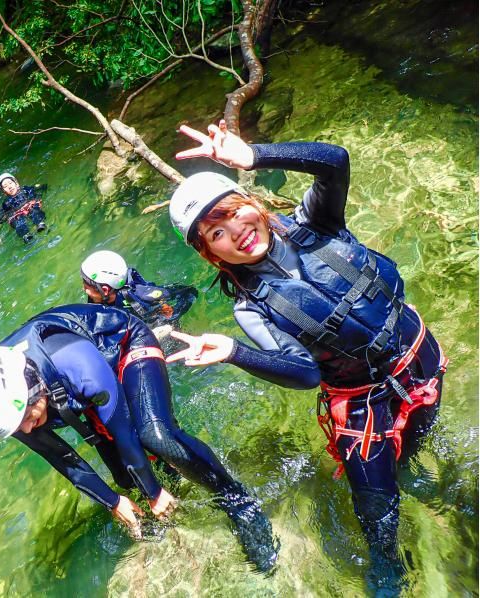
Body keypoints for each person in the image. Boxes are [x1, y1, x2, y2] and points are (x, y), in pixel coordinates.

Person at [166, 120, 447, 591]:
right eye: (215, 233)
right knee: (375, 507)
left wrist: (254, 155)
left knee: (417, 445)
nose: (235, 232)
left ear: (252, 203)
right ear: (210, 253)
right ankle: (388, 572)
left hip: (417, 357)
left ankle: (412, 467)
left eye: (233, 213)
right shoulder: (249, 306)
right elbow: (302, 374)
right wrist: (234, 352)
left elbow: (335, 160)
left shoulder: (317, 222)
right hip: (362, 402)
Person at [0, 304, 279, 570]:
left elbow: (123, 431)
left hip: (125, 346)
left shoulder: (77, 364)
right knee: (124, 480)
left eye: (28, 417)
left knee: (153, 435)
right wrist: (114, 503)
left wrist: (152, 492)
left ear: (32, 386)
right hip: (72, 387)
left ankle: (237, 500)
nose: (28, 430)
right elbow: (65, 461)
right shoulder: (9, 409)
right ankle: (172, 487)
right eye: (19, 428)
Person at [80, 250, 198, 328]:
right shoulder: (96, 298)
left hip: (158, 329)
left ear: (104, 290)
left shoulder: (143, 294)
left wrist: (170, 319)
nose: (83, 287)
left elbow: (189, 292)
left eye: (86, 284)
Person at [0, 172, 47, 243]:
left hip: (29, 206)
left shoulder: (26, 190)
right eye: (5, 186)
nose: (9, 187)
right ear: (3, 191)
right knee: (18, 222)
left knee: (33, 210)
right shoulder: (6, 203)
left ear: (16, 183)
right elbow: (1, 217)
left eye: (10, 183)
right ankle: (26, 235)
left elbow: (40, 188)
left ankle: (40, 224)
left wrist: (43, 187)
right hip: (18, 214)